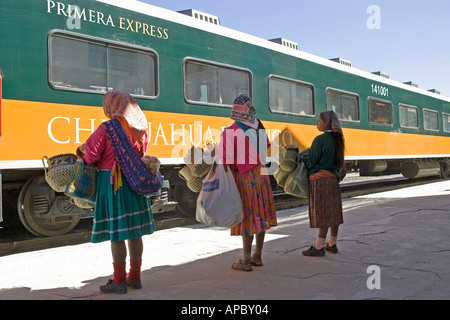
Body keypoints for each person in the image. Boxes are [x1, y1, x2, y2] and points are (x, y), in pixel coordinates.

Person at [81, 91, 155, 294]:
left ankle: (119, 281)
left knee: (118, 234)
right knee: (134, 232)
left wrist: (85, 158)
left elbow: (91, 154)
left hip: (113, 184)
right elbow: (142, 152)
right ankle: (135, 277)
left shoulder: (107, 128)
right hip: (135, 184)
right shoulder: (141, 128)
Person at [218, 93, 277, 272]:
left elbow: (225, 161)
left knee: (248, 218)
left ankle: (245, 260)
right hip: (262, 177)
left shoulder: (230, 131)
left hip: (244, 179)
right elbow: (265, 152)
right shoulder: (259, 128)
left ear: (235, 110)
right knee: (259, 216)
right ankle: (257, 255)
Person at [300, 110, 345, 257]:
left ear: (326, 123)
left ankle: (319, 247)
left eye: (319, 120)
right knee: (333, 212)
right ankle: (332, 244)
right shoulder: (338, 139)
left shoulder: (320, 140)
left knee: (324, 213)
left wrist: (300, 159)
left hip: (320, 181)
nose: (317, 123)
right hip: (333, 180)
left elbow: (311, 161)